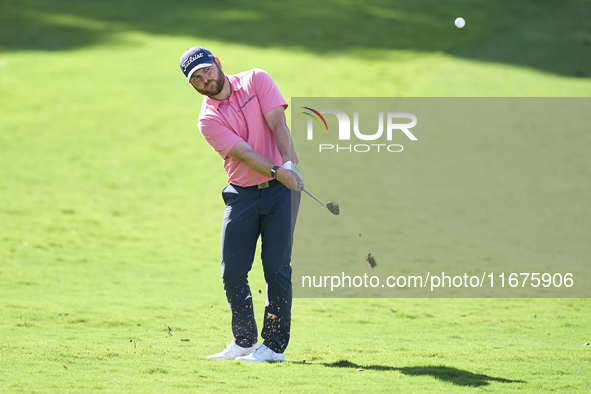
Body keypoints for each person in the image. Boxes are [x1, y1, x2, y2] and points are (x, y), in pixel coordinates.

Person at [179, 47, 303, 362]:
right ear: (193, 85)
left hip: (281, 191)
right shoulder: (208, 119)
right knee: (232, 269)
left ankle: (274, 347)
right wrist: (277, 171)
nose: (204, 79)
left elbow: (278, 124)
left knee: (276, 267)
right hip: (242, 193)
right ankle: (245, 340)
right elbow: (245, 154)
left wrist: (288, 166)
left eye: (206, 70)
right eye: (196, 78)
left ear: (217, 63)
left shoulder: (256, 80)